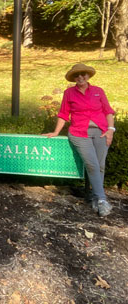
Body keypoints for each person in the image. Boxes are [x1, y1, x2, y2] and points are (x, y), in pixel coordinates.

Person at [43, 63, 115, 217]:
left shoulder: (98, 91)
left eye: (83, 74)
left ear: (88, 75)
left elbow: (108, 111)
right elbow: (63, 114)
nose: (81, 77)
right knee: (92, 164)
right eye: (77, 75)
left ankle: (94, 198)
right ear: (74, 78)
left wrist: (111, 130)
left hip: (101, 132)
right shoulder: (69, 93)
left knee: (100, 166)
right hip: (79, 133)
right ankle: (102, 199)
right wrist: (56, 132)